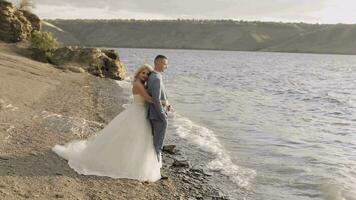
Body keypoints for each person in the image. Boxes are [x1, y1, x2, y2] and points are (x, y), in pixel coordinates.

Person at [52, 64, 162, 182]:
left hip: (141, 113)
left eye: (147, 74)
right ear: (139, 73)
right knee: (133, 139)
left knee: (135, 140)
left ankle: (133, 162)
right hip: (137, 113)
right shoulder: (137, 84)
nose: (145, 75)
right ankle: (127, 164)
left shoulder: (143, 84)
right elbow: (149, 99)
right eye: (143, 73)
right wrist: (164, 103)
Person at [147, 55, 170, 167]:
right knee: (158, 144)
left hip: (154, 113)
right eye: (165, 64)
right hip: (157, 115)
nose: (166, 66)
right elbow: (155, 99)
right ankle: (154, 169)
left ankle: (153, 167)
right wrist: (162, 115)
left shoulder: (153, 75)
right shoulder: (156, 78)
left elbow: (158, 96)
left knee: (155, 142)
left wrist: (167, 103)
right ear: (158, 63)